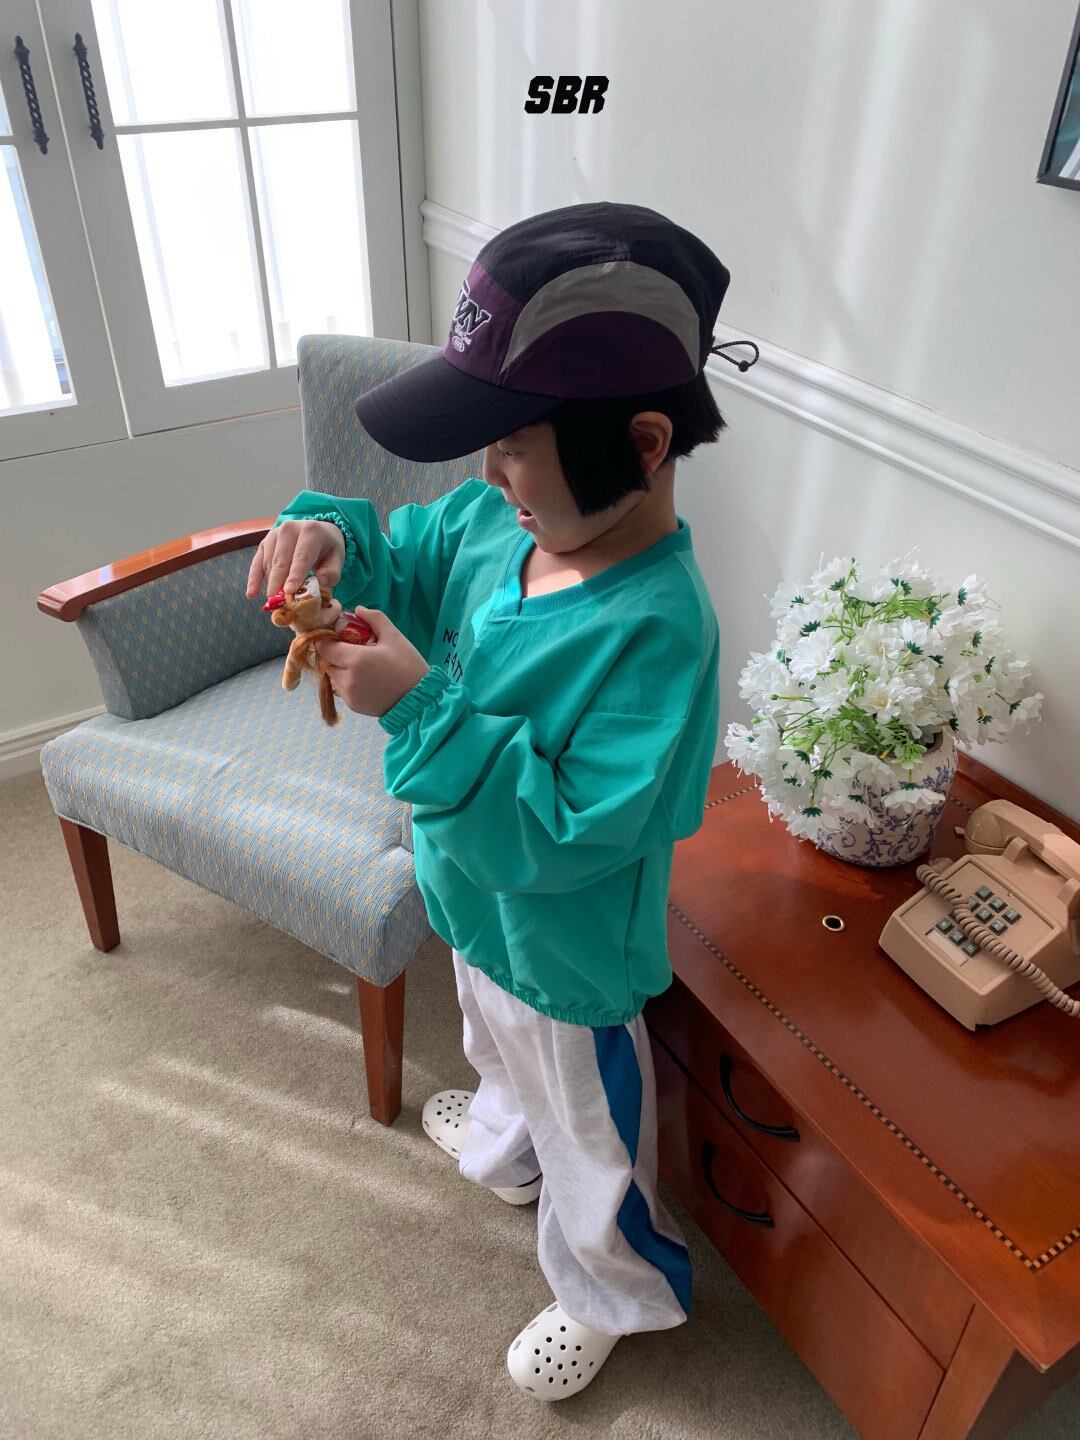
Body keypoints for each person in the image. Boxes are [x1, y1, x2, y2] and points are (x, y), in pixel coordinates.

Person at [245, 200, 753, 1401]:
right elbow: (411, 553)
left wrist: (419, 708)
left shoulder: (658, 634)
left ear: (641, 443)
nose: (487, 472)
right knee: (493, 1050)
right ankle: (510, 1150)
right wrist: (333, 540)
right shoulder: (498, 522)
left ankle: (616, 1288)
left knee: (592, 1136)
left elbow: (569, 833)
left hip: (567, 954)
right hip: (472, 906)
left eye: (513, 445)